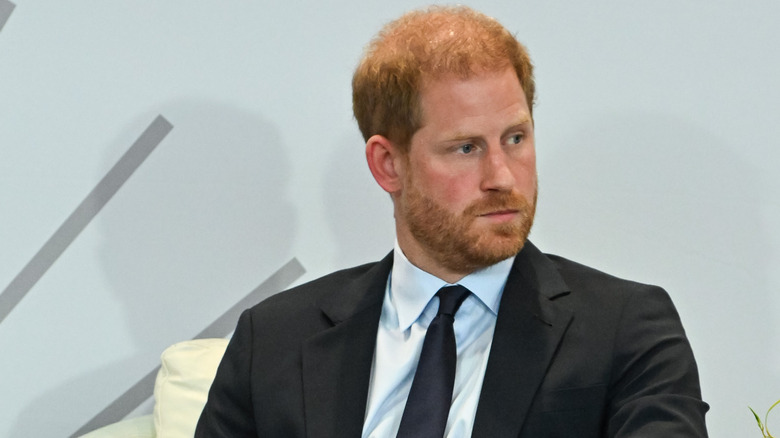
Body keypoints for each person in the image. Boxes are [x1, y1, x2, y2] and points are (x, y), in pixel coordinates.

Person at [195, 5, 708, 437]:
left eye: (515, 138)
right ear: (388, 165)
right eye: (466, 148)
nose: (502, 176)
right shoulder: (275, 338)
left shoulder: (626, 329)